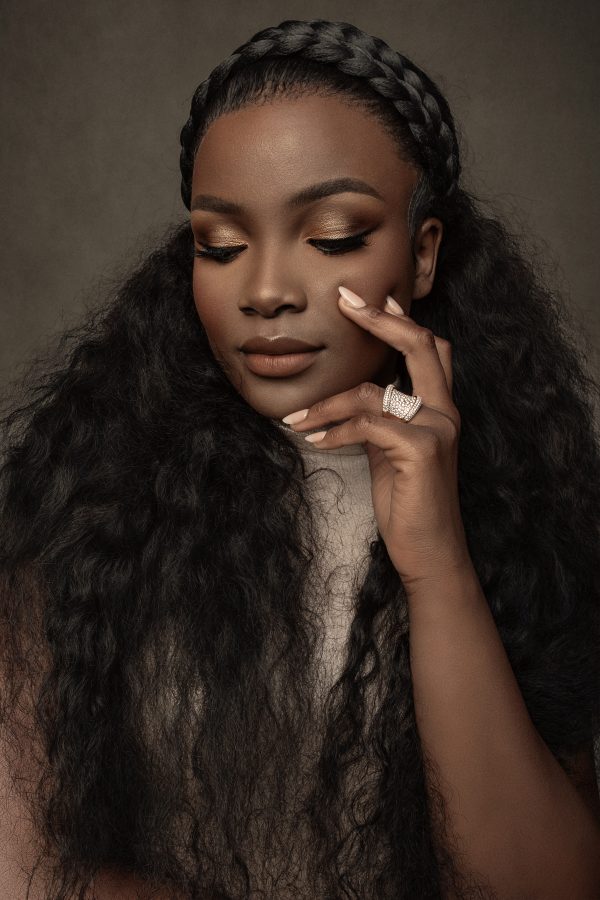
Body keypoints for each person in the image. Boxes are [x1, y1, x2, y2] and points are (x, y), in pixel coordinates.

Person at [1, 16, 599, 900]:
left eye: (333, 235)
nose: (267, 290)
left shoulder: (525, 500)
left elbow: (544, 887)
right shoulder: (92, 494)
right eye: (220, 245)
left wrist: (437, 563)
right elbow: (23, 867)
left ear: (423, 254)